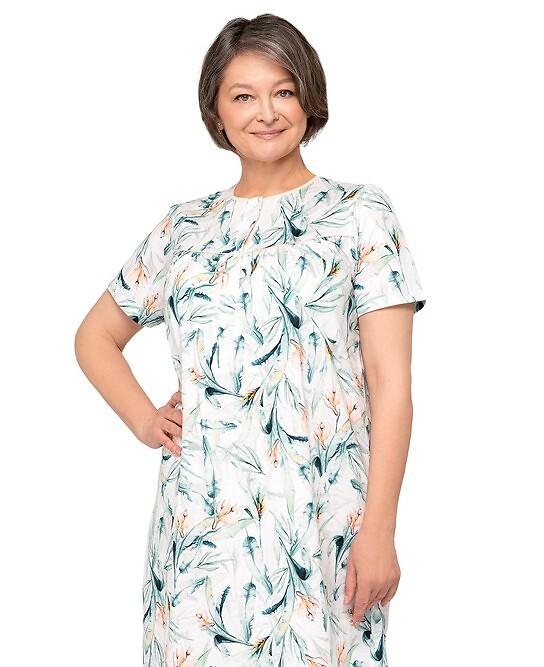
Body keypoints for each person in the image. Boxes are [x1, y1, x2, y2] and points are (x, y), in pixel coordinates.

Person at [74, 12, 426, 667]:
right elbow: (95, 336)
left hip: (323, 526)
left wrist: (380, 528)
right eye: (243, 95)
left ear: (308, 98)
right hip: (199, 533)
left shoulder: (360, 214)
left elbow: (392, 384)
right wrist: (146, 419)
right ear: (217, 110)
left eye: (283, 91)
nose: (265, 112)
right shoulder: (184, 228)